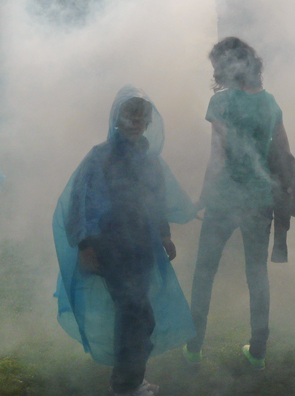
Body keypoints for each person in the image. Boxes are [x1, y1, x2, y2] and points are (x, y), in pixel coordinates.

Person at [53, 85, 196, 396]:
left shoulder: (150, 160)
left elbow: (156, 201)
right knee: (137, 315)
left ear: (148, 122)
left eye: (141, 115)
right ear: (116, 118)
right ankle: (125, 386)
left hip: (141, 249)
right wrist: (86, 246)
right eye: (129, 114)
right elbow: (81, 203)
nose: (135, 120)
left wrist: (165, 234)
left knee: (135, 316)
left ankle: (130, 380)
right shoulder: (99, 156)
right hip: (110, 249)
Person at [184, 37, 290, 370]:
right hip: (261, 200)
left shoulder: (222, 102)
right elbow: (283, 154)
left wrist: (201, 197)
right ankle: (258, 352)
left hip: (224, 200)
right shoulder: (271, 103)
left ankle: (193, 348)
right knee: (257, 275)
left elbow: (218, 156)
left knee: (204, 273)